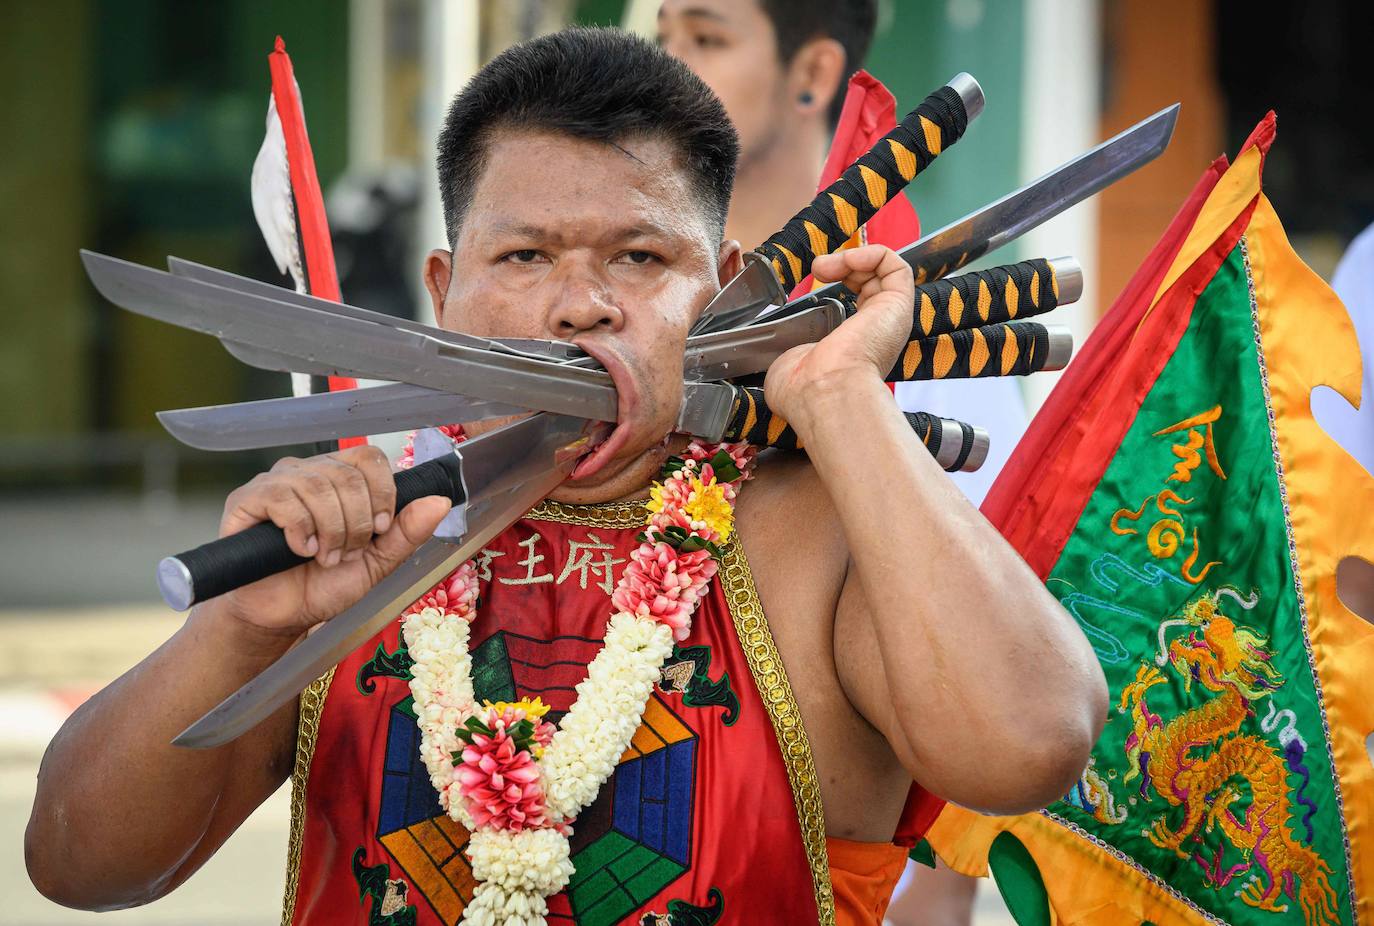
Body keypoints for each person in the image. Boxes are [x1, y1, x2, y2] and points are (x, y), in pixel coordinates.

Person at [26, 28, 1106, 925]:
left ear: (725, 285)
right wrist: (240, 631)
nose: (581, 305)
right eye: (525, 256)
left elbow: (1032, 744)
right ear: (444, 290)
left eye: (640, 258)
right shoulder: (355, 535)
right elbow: (79, 863)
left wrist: (841, 400)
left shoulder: (817, 530)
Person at [657, 0, 1028, 510]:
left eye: (706, 39)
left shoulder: (926, 319)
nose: (666, 66)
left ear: (814, 73)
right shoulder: (606, 296)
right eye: (662, 38)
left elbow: (986, 538)